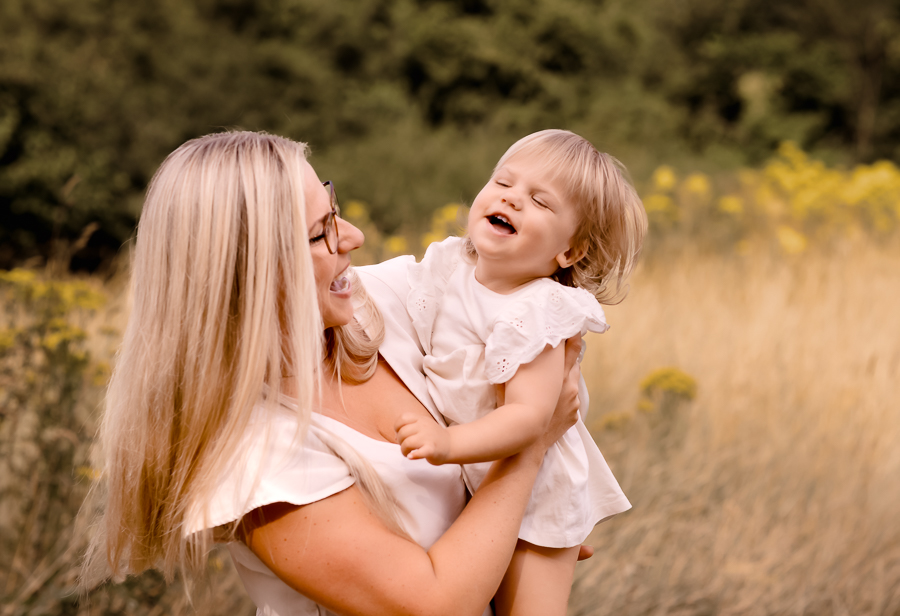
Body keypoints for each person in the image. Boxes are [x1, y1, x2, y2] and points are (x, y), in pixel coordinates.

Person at [81, 131, 587, 616]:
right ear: (253, 270)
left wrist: (538, 528)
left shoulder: (378, 303)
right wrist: (529, 454)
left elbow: (518, 328)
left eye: (335, 210)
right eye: (321, 232)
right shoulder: (251, 456)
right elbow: (434, 605)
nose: (354, 237)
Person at [395, 129, 647, 615]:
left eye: (539, 201)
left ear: (570, 253)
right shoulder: (450, 266)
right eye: (502, 182)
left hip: (537, 492)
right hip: (476, 484)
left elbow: (532, 418)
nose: (511, 198)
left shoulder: (539, 310)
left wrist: (448, 445)